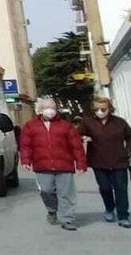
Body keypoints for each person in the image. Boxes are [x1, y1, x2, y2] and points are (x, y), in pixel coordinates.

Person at [19, 95, 86, 231]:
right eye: (47, 108)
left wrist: (81, 163)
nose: (51, 110)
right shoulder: (30, 126)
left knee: (65, 192)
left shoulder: (66, 126)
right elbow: (26, 145)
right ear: (40, 110)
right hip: (42, 166)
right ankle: (52, 210)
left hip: (64, 165)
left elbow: (76, 146)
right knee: (46, 190)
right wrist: (26, 160)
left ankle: (67, 219)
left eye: (53, 108)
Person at [79, 97, 131, 228]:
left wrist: (129, 150)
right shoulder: (88, 122)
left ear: (109, 109)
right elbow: (76, 135)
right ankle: (110, 208)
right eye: (96, 109)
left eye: (103, 109)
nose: (100, 112)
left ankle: (123, 216)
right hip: (98, 161)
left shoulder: (119, 122)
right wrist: (84, 138)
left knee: (121, 188)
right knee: (105, 187)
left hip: (119, 160)